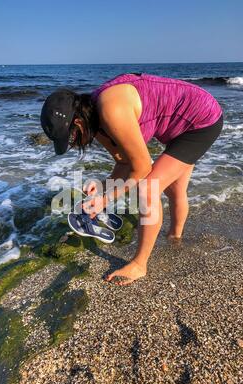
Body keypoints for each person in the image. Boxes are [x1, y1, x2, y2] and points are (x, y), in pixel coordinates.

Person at [41, 73, 224, 286]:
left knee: (148, 189)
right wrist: (102, 187)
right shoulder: (95, 122)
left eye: (71, 136)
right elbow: (124, 163)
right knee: (174, 189)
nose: (73, 143)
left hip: (200, 120)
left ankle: (140, 264)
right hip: (179, 126)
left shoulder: (110, 111)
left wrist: (105, 200)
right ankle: (175, 239)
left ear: (78, 121)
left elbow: (142, 167)